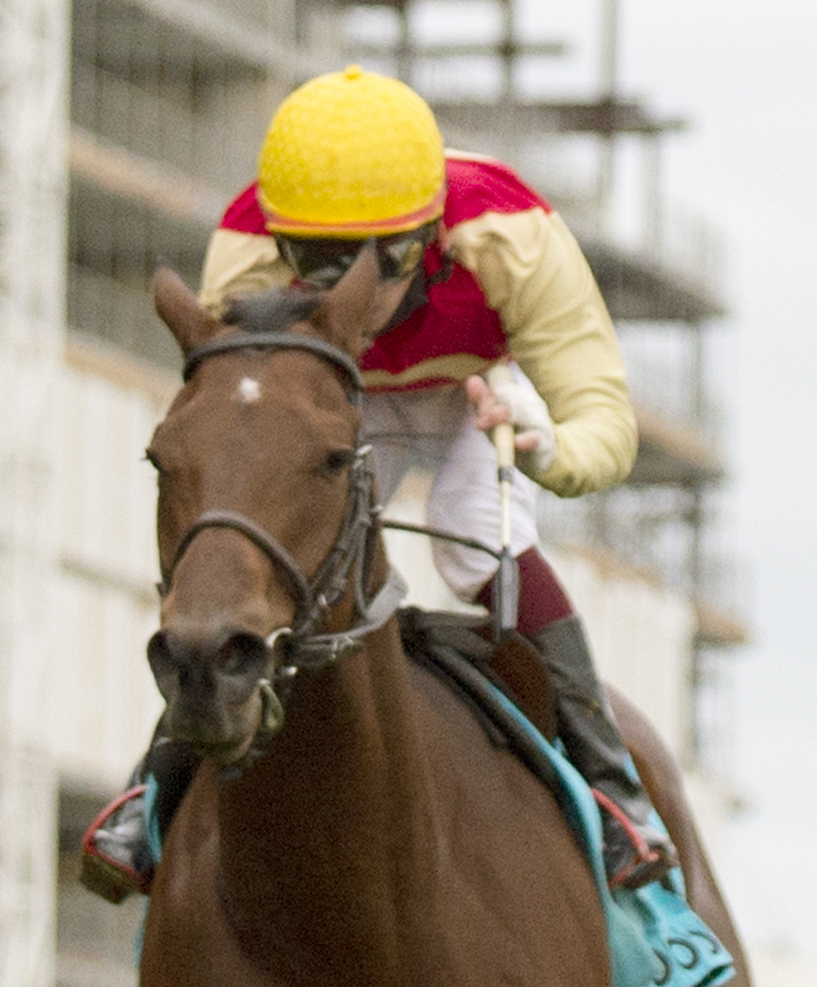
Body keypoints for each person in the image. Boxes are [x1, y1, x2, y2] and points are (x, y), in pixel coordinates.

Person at [80, 66, 677, 898]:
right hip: (342, 397)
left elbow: (603, 421)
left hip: (475, 388)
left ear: (432, 230)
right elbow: (245, 423)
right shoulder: (246, 252)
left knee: (478, 535)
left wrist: (544, 449)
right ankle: (150, 790)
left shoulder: (513, 233)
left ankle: (615, 790)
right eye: (314, 263)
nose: (354, 287)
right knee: (262, 549)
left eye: (383, 257)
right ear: (279, 242)